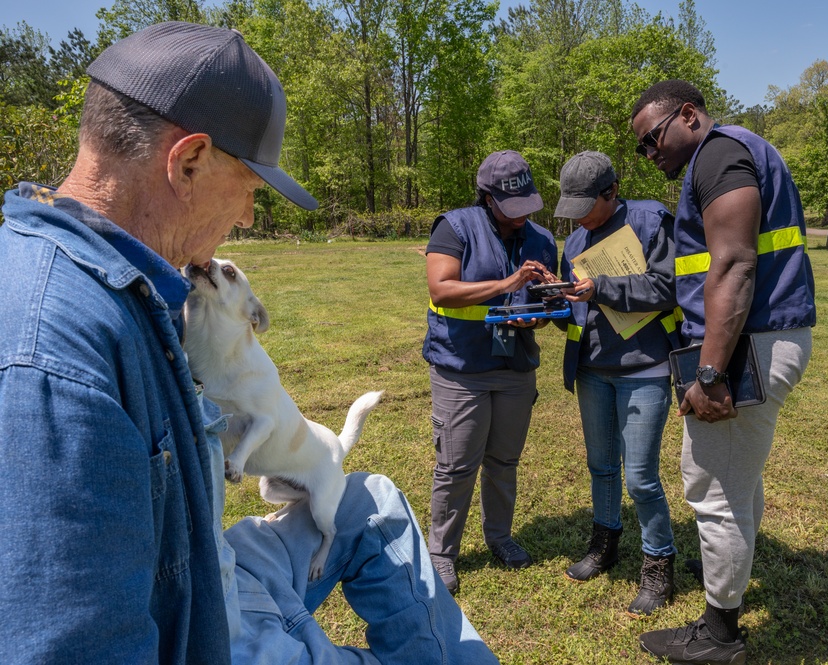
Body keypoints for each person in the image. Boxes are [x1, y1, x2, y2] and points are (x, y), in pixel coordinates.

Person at [0, 22, 497, 665]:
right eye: (250, 190)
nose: (246, 218)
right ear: (188, 161)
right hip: (214, 630)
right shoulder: (52, 359)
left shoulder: (120, 285)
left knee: (371, 500)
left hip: (210, 565)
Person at [630, 79, 816, 664]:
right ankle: (725, 589)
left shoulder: (718, 154)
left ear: (689, 115)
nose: (649, 152)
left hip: (744, 348)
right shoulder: (733, 153)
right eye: (641, 147)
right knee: (737, 480)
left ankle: (719, 635)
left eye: (652, 138)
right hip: (762, 339)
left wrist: (709, 375)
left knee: (713, 484)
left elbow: (733, 265)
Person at [552, 151, 684, 617]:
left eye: (586, 207)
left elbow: (670, 287)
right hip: (593, 369)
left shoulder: (651, 222)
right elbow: (579, 314)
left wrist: (602, 287)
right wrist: (553, 299)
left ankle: (658, 562)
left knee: (641, 477)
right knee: (601, 466)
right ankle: (604, 543)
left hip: (644, 368)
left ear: (611, 191)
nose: (579, 221)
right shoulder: (573, 245)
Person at [422, 150, 558, 594]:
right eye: (509, 208)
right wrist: (506, 285)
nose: (520, 218)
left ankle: (499, 537)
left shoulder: (541, 238)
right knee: (457, 465)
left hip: (515, 367)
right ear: (486, 197)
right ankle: (442, 554)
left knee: (504, 461)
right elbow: (441, 290)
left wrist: (535, 317)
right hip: (462, 368)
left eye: (526, 208)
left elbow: (547, 307)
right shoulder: (455, 227)